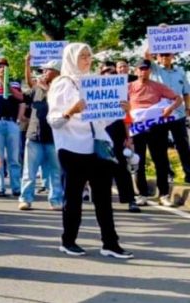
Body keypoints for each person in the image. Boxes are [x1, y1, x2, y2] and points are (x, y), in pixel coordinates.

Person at [47, 43, 133, 259]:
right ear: (71, 59)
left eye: (89, 56)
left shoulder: (93, 82)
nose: (87, 60)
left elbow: (101, 120)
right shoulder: (61, 84)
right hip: (72, 147)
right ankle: (68, 241)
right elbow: (54, 121)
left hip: (97, 146)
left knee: (103, 197)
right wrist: (71, 111)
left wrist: (119, 111)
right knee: (73, 197)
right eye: (82, 56)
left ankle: (110, 243)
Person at [129, 58, 183, 206]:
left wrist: (170, 108)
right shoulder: (129, 87)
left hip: (156, 126)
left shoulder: (159, 86)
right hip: (137, 128)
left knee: (161, 160)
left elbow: (178, 99)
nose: (143, 71)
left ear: (150, 71)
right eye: (140, 69)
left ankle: (164, 194)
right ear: (135, 70)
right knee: (138, 161)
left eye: (145, 69)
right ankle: (142, 194)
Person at [19, 59, 63, 211]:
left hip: (54, 137)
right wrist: (5, 84)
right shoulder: (37, 88)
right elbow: (22, 97)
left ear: (57, 72)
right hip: (34, 136)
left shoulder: (62, 89)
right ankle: (25, 199)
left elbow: (60, 107)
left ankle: (56, 200)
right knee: (29, 172)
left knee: (55, 172)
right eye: (43, 70)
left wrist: (47, 90)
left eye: (47, 70)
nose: (43, 73)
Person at [99, 66, 140, 213]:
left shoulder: (122, 97)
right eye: (105, 77)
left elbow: (127, 119)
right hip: (100, 134)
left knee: (121, 168)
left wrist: (129, 138)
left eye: (111, 77)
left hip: (117, 134)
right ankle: (104, 203)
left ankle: (130, 200)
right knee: (102, 170)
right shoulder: (94, 95)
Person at [0, 56, 25, 197]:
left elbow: (21, 99)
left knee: (14, 158)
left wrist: (6, 83)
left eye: (5, 66)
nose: (2, 68)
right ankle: (0, 187)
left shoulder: (14, 84)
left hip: (11, 123)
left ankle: (16, 187)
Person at [149, 51, 190, 184]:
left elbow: (186, 92)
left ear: (172, 56)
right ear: (157, 56)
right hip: (161, 114)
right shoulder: (154, 69)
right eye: (162, 55)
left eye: (167, 54)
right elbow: (146, 56)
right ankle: (167, 174)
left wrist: (188, 107)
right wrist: (157, 36)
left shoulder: (180, 71)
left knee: (183, 145)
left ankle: (188, 173)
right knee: (161, 147)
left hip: (178, 114)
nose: (165, 57)